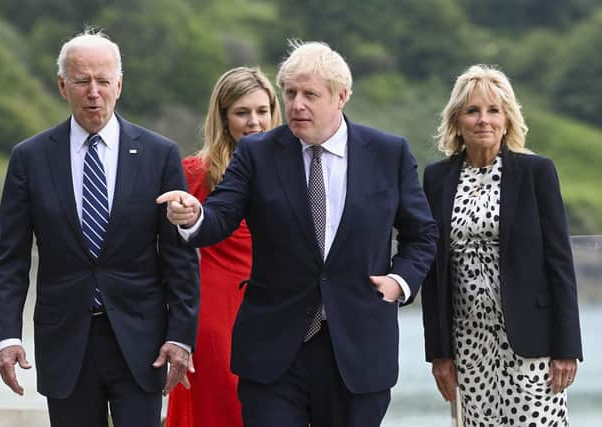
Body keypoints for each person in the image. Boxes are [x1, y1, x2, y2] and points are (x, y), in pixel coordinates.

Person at [157, 40, 438, 427]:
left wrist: (399, 282)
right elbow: (219, 216)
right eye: (289, 93)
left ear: (342, 96)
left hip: (357, 350)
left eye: (309, 94)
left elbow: (422, 235)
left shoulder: (389, 153)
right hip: (273, 351)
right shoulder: (257, 152)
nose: (296, 104)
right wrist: (192, 217)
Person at [0, 28, 200, 427]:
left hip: (142, 343)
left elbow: (180, 258)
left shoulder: (160, 155)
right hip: (65, 342)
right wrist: (7, 337)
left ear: (119, 85)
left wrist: (181, 335)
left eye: (103, 81)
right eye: (82, 80)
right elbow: (9, 260)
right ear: (62, 85)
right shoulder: (29, 158)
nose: (93, 92)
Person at [421, 64, 583, 426]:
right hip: (468, 347)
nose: (484, 120)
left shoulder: (536, 173)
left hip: (532, 346)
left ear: (508, 119)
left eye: (494, 110)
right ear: (457, 121)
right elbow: (433, 275)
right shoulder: (436, 179)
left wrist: (567, 348)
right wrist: (439, 354)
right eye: (472, 110)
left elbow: (560, 264)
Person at [164, 66, 282, 427]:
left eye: (262, 111)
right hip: (215, 312)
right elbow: (168, 249)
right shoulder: (195, 172)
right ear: (223, 117)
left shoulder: (293, 169)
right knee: (222, 405)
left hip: (278, 308)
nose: (254, 122)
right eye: (242, 113)